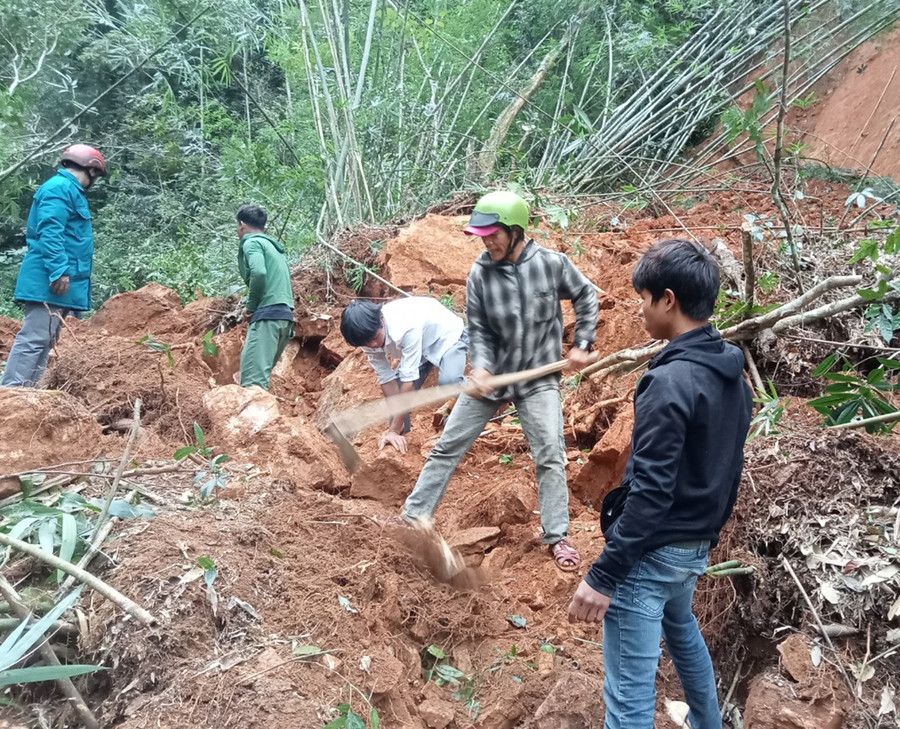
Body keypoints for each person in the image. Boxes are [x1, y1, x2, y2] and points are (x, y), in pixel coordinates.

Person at [567, 238, 754, 729]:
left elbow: (651, 491)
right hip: (691, 547)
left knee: (627, 699)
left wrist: (604, 575)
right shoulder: (734, 378)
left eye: (644, 299)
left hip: (650, 555)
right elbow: (728, 471)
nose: (640, 309)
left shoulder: (669, 383)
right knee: (682, 628)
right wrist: (704, 538)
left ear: (668, 300)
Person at [398, 190, 598, 571]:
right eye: (482, 236)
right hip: (493, 378)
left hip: (538, 378)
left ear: (515, 231)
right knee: (447, 446)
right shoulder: (480, 273)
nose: (487, 242)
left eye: (493, 235)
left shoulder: (551, 265)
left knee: (550, 454)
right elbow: (478, 328)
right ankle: (413, 516)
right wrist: (482, 368)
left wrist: (583, 343)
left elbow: (586, 295)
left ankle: (557, 536)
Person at [2, 145, 107, 388]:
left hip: (57, 281)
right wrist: (59, 270)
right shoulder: (59, 188)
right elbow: (50, 231)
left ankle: (29, 393)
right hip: (48, 279)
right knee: (35, 337)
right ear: (91, 169)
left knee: (46, 339)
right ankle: (12, 392)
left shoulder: (68, 190)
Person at [340, 297, 468, 454]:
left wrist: (393, 430)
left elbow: (409, 383)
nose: (373, 345)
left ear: (382, 320)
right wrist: (395, 426)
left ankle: (475, 394)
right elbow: (386, 379)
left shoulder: (405, 327)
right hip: (418, 350)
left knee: (450, 382)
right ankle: (402, 444)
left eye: (375, 338)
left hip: (444, 337)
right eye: (366, 344)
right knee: (397, 408)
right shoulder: (366, 337)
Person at [236, 205, 295, 390]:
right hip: (284, 317)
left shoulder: (252, 243)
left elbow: (259, 273)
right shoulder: (274, 248)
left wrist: (250, 307)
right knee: (260, 381)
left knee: (252, 384)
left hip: (267, 317)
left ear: (241, 225)